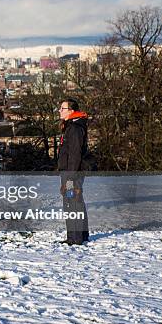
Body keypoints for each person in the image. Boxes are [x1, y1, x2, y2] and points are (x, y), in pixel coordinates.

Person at [57, 98, 90, 245]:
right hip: (71, 172)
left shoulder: (75, 128)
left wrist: (69, 178)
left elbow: (75, 154)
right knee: (76, 201)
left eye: (62, 108)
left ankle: (75, 238)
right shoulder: (71, 126)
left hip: (72, 173)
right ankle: (80, 235)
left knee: (71, 203)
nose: (59, 111)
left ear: (71, 111)